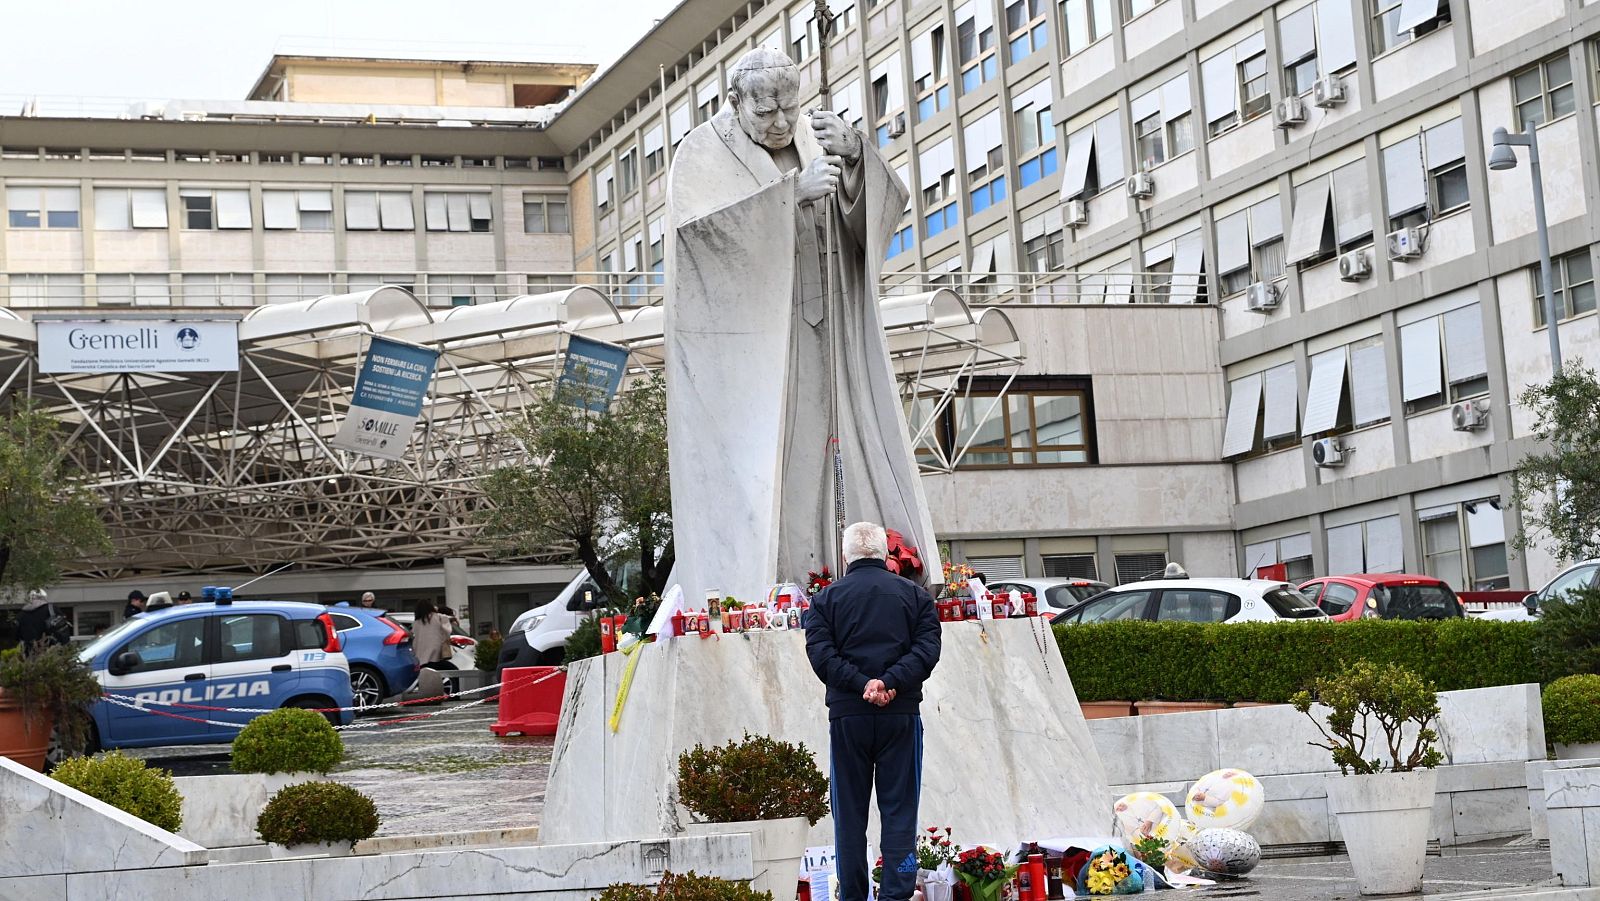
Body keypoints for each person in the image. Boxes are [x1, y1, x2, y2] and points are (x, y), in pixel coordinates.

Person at [665, 47, 940, 607]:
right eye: (765, 111)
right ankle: (779, 583)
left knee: (847, 448)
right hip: (761, 349)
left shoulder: (817, 138)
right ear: (735, 102)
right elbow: (697, 242)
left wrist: (857, 157)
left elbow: (883, 215)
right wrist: (789, 197)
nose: (780, 122)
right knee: (780, 464)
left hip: (832, 330)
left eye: (789, 107)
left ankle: (857, 570)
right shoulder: (700, 153)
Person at [804, 521, 942, 901]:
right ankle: (896, 893)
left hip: (848, 716)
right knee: (900, 812)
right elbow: (927, 649)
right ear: (886, 553)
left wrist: (862, 684)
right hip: (900, 715)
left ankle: (852, 894)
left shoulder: (825, 601)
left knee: (849, 815)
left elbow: (821, 654)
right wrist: (891, 682)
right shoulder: (915, 598)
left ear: (845, 555)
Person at [410, 600, 456, 671]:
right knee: (453, 671)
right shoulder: (439, 617)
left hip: (421, 660)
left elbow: (414, 640)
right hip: (436, 656)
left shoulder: (415, 623)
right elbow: (447, 631)